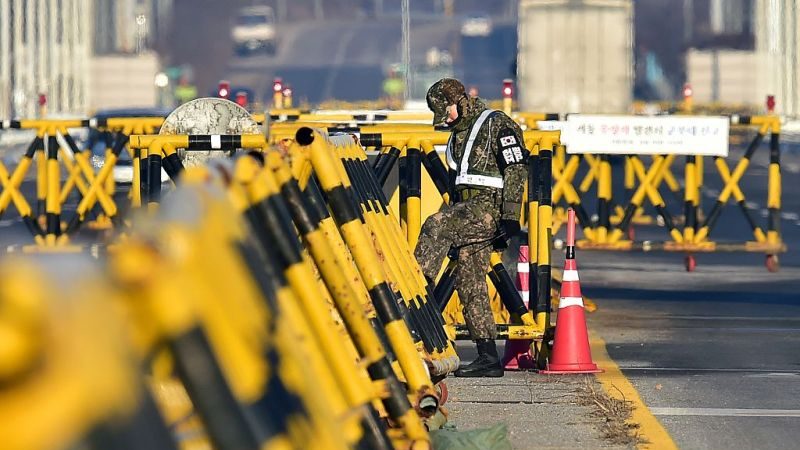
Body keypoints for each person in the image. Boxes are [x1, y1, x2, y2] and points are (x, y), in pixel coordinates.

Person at [415, 78, 528, 377]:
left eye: (447, 111)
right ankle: (488, 356)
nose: (447, 119)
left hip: (487, 209)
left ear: (460, 101)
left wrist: (511, 216)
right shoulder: (458, 133)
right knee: (470, 280)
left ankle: (413, 298)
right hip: (468, 209)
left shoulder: (496, 124)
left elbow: (516, 168)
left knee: (435, 226)